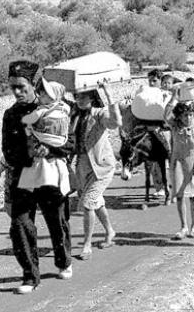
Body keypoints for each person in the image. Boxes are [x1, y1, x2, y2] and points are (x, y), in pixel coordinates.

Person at [2, 60, 73, 294]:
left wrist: (50, 150)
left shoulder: (58, 107)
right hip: (23, 177)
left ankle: (63, 262)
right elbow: (8, 150)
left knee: (57, 222)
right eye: (13, 87)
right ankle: (30, 276)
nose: (17, 92)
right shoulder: (11, 114)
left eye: (22, 87)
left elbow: (70, 143)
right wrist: (28, 154)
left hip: (51, 175)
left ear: (34, 85)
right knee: (20, 225)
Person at [72, 83, 119, 260]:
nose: (79, 100)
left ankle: (86, 244)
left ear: (92, 97)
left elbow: (115, 123)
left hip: (102, 166)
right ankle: (110, 231)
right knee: (96, 202)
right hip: (83, 166)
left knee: (88, 203)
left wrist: (109, 95)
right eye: (77, 97)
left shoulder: (99, 114)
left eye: (83, 96)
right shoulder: (76, 116)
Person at [164, 96, 194, 240]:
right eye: (185, 115)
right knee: (179, 196)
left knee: (193, 197)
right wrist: (173, 97)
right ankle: (183, 227)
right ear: (179, 116)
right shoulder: (175, 127)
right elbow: (165, 115)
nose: (188, 118)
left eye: (191, 114)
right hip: (178, 164)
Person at [17, 78, 71, 195]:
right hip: (50, 165)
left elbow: (71, 143)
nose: (40, 96)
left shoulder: (41, 111)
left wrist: (48, 149)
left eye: (43, 94)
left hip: (52, 166)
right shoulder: (65, 110)